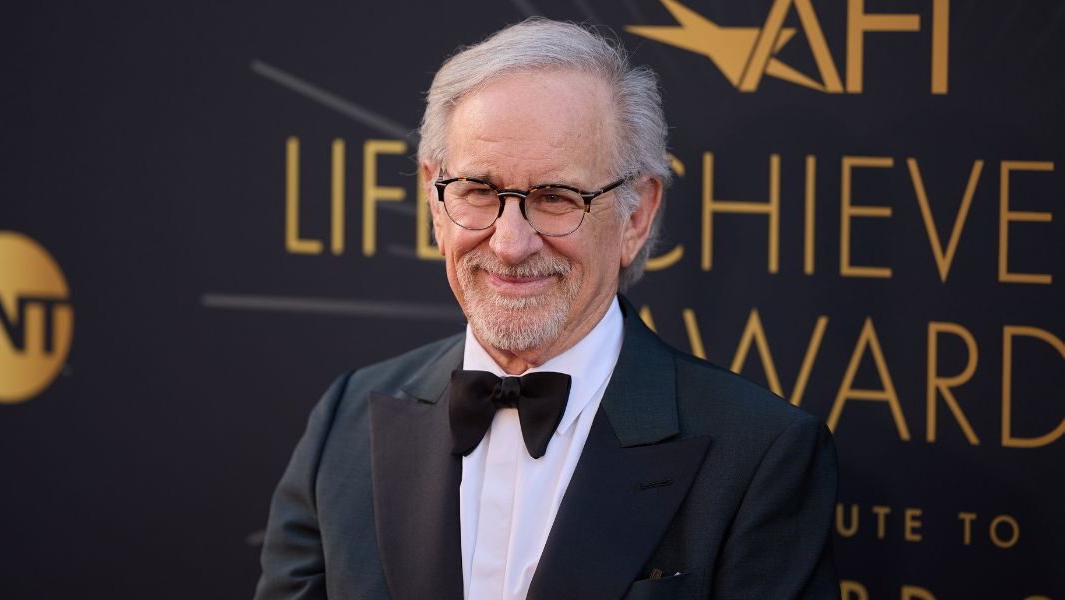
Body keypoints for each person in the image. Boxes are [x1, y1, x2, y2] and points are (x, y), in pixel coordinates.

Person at [255, 18, 838, 600]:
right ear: (435, 198)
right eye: (479, 190)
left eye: (556, 197)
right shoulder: (344, 423)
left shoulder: (759, 455)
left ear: (636, 216)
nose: (510, 243)